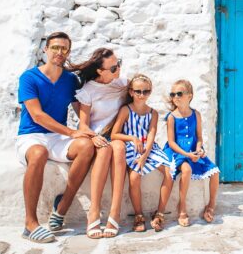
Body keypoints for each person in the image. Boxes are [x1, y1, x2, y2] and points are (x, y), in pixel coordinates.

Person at [16, 32, 95, 244]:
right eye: (55, 48)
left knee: (86, 147)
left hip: (57, 137)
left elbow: (80, 110)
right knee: (39, 153)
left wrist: (90, 131)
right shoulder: (29, 77)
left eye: (64, 49)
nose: (60, 52)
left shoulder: (70, 80)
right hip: (31, 135)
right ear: (46, 50)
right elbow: (37, 115)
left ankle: (62, 207)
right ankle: (30, 224)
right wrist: (71, 132)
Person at [70, 48, 128, 239]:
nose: (118, 69)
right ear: (99, 71)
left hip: (117, 135)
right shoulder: (89, 90)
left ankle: (115, 212)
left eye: (118, 63)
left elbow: (141, 93)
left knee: (118, 148)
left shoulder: (122, 84)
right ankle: (93, 211)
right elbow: (84, 124)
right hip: (98, 136)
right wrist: (93, 136)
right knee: (104, 150)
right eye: (113, 68)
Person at [111, 74, 173, 232]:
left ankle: (159, 213)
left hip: (149, 148)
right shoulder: (126, 110)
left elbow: (151, 134)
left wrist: (145, 156)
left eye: (146, 91)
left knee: (169, 171)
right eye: (138, 91)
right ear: (131, 92)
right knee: (134, 176)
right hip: (132, 148)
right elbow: (114, 134)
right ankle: (138, 215)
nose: (142, 95)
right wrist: (132, 138)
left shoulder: (153, 113)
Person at [163, 79, 220, 226]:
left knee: (215, 173)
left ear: (189, 96)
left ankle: (211, 205)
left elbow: (199, 137)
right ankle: (182, 208)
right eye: (173, 94)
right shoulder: (171, 117)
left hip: (194, 150)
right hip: (177, 152)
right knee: (186, 170)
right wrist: (187, 155)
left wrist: (199, 149)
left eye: (179, 93)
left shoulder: (196, 114)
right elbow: (171, 142)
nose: (175, 97)